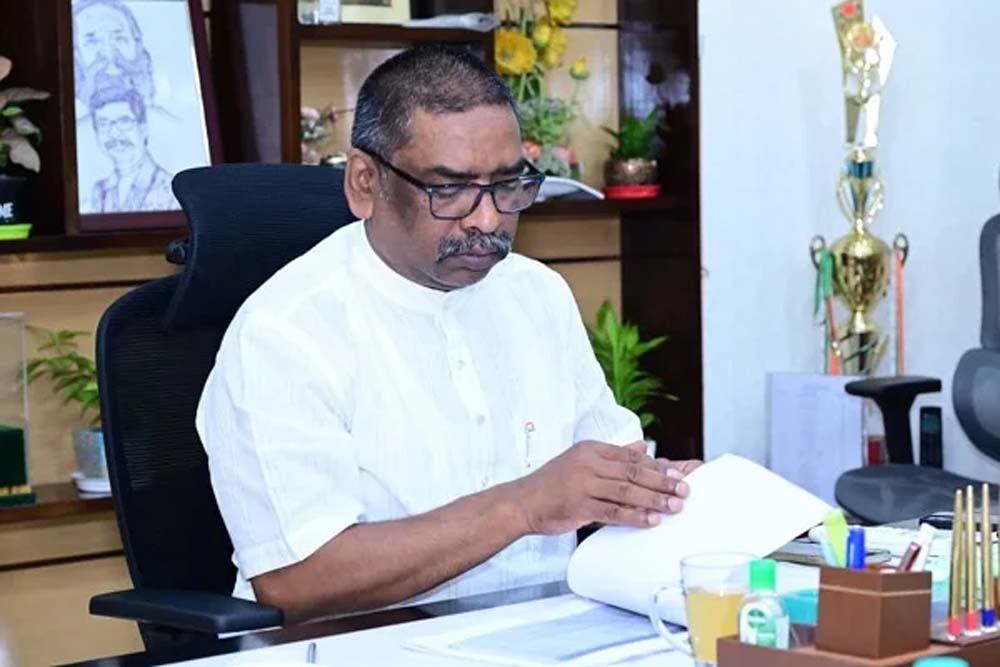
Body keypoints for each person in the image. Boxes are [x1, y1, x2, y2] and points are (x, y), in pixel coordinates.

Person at [196, 45, 700, 625]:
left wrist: (658, 490)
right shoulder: (284, 332)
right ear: (365, 183)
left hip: (546, 630)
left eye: (509, 185)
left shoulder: (536, 292)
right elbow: (294, 581)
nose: (488, 219)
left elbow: (610, 461)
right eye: (450, 190)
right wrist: (522, 506)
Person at [89, 86, 175, 213]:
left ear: (144, 128)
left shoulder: (171, 189)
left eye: (124, 121)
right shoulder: (99, 191)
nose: (114, 133)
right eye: (103, 124)